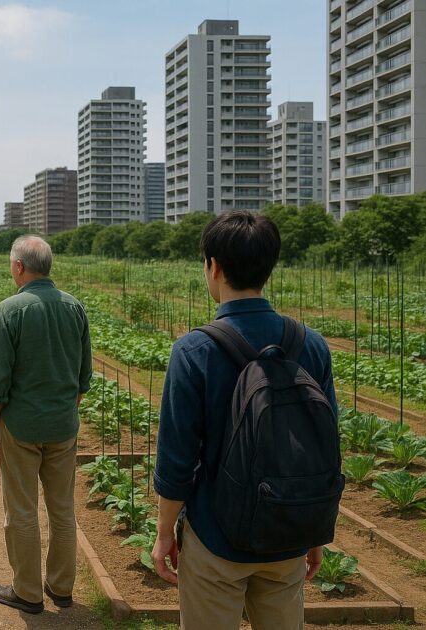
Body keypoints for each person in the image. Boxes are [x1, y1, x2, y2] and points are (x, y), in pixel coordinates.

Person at [151, 211, 338, 630]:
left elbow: (177, 457)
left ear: (213, 266)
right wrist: (315, 530)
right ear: (269, 267)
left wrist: (165, 532)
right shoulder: (311, 345)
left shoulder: (194, 350)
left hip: (216, 538)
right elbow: (327, 446)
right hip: (287, 530)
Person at [0, 235, 92, 614]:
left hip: (22, 425)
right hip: (63, 425)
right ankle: (61, 588)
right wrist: (65, 408)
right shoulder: (74, 307)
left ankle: (27, 592)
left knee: (22, 510)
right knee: (62, 509)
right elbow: (83, 376)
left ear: (18, 267)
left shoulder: (10, 310)